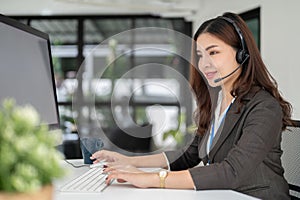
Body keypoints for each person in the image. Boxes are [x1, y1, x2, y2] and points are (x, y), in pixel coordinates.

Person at [90, 12, 293, 199]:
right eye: (200, 56)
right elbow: (188, 155)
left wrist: (151, 179)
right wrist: (127, 161)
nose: (204, 64)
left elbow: (232, 172)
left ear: (241, 54)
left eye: (213, 53)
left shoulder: (264, 107)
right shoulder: (218, 100)